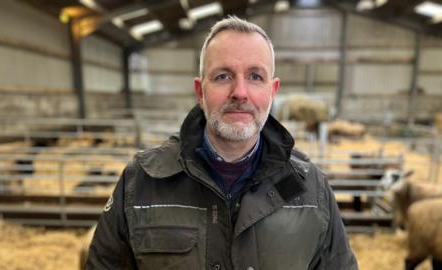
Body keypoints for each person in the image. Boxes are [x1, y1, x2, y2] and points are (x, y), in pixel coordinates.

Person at [86, 15, 358, 270]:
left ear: (272, 91)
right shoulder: (142, 182)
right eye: (223, 76)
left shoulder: (311, 189)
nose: (239, 92)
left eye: (255, 76)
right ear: (200, 92)